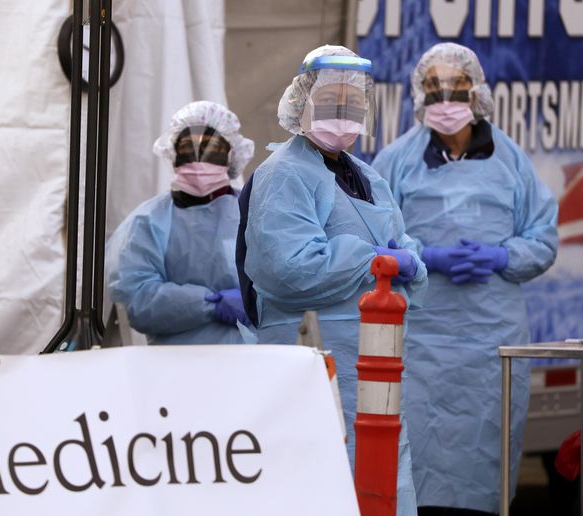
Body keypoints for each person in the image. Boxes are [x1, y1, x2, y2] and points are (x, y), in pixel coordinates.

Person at [237, 45, 428, 516]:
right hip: (313, 360)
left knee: (381, 484)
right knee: (319, 487)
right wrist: (373, 260)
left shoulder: (367, 176)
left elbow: (405, 247)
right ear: (300, 103)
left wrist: (407, 260)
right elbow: (291, 270)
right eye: (329, 101)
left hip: (373, 362)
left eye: (351, 101)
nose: (341, 112)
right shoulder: (283, 174)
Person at [371, 42, 558, 516]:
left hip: (490, 347)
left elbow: (543, 239)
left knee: (485, 465)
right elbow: (368, 238)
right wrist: (423, 256)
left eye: (456, 87)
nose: (445, 98)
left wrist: (501, 256)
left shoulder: (512, 162)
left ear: (476, 93)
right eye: (434, 88)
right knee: (417, 468)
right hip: (420, 345)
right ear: (419, 95)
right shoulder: (396, 162)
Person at [106, 101, 254, 344]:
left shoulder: (255, 214)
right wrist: (209, 304)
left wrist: (260, 300)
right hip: (176, 368)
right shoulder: (147, 223)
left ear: (232, 156)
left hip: (261, 362)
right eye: (187, 147)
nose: (198, 158)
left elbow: (288, 278)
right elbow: (136, 300)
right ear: (172, 156)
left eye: (211, 147)